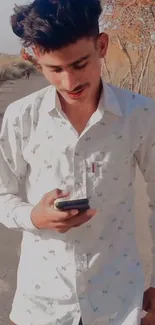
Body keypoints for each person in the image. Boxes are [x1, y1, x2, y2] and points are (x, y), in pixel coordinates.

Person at [0, 0, 155, 324]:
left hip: (119, 300)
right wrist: (33, 216)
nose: (71, 82)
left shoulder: (140, 114)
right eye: (55, 70)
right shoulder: (21, 118)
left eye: (80, 64)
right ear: (35, 60)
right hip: (42, 304)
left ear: (102, 46)